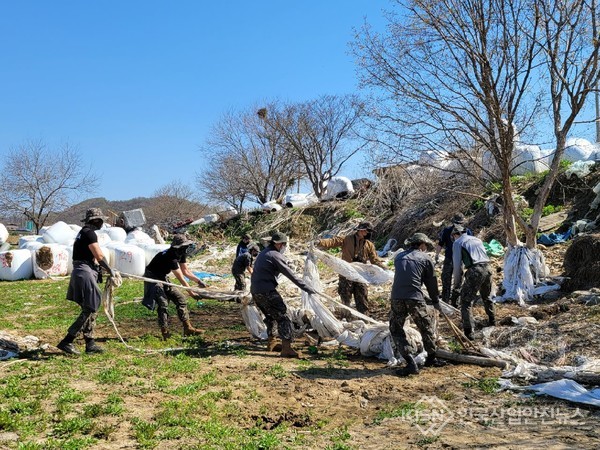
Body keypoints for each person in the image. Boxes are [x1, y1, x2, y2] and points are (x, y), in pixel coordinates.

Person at [57, 208, 117, 355]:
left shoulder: (83, 233)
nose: (103, 223)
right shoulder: (90, 233)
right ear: (96, 221)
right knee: (91, 306)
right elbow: (99, 255)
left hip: (82, 270)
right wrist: (110, 270)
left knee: (91, 308)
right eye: (101, 220)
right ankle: (68, 340)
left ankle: (90, 343)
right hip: (84, 272)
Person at [251, 232, 318, 358]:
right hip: (266, 291)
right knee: (284, 316)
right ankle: (287, 348)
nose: (284, 247)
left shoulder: (264, 253)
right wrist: (307, 288)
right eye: (284, 244)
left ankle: (271, 342)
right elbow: (291, 275)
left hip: (256, 291)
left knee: (270, 316)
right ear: (280, 244)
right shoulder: (275, 255)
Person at [390, 233, 444, 376]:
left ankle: (409, 361)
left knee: (396, 329)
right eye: (425, 245)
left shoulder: (399, 257)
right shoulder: (425, 258)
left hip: (397, 297)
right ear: (421, 245)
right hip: (414, 297)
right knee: (425, 327)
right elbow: (431, 283)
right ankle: (431, 358)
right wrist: (435, 301)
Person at [142, 234, 206, 340]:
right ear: (177, 247)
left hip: (162, 276)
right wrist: (191, 293)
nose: (185, 249)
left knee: (181, 299)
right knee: (163, 303)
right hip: (152, 277)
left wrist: (199, 281)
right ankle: (165, 332)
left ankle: (187, 328)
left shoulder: (181, 254)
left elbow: (186, 271)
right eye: (183, 247)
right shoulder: (170, 256)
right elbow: (181, 278)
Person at [316, 221, 386, 316]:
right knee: (345, 296)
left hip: (360, 275)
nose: (368, 234)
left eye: (369, 232)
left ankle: (364, 317)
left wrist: (384, 268)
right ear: (361, 230)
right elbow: (332, 242)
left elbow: (375, 260)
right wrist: (320, 242)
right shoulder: (347, 239)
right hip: (346, 273)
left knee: (362, 296)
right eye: (367, 231)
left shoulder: (369, 245)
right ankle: (346, 316)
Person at [451, 225, 495, 340]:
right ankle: (492, 320)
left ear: (455, 234)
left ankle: (469, 332)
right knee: (487, 297)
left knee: (466, 302)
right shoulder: (477, 239)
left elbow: (457, 266)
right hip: (488, 268)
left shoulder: (458, 243)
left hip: (475, 270)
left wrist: (456, 285)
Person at [434, 213, 472, 307]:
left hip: (460, 260)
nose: (459, 224)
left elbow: (471, 245)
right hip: (449, 258)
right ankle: (445, 302)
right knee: (446, 279)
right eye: (457, 223)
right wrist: (437, 254)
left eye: (461, 223)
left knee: (458, 281)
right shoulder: (447, 231)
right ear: (453, 222)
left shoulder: (467, 231)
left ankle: (456, 302)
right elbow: (440, 243)